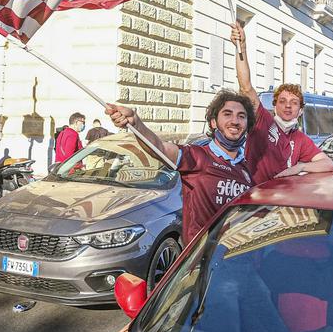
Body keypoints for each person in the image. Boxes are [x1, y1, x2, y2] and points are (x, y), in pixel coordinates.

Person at [106, 90, 254, 245]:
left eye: (241, 116)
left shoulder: (248, 165)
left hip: (239, 256)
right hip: (203, 259)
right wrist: (135, 122)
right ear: (213, 122)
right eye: (227, 114)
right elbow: (159, 148)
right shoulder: (199, 157)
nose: (235, 121)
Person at [230, 22, 333, 184]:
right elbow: (245, 87)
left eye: (294, 103)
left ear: (300, 111)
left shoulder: (301, 139)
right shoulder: (263, 121)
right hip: (255, 197)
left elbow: (328, 164)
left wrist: (300, 167)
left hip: (281, 202)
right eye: (283, 101)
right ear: (274, 105)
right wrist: (242, 48)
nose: (288, 106)